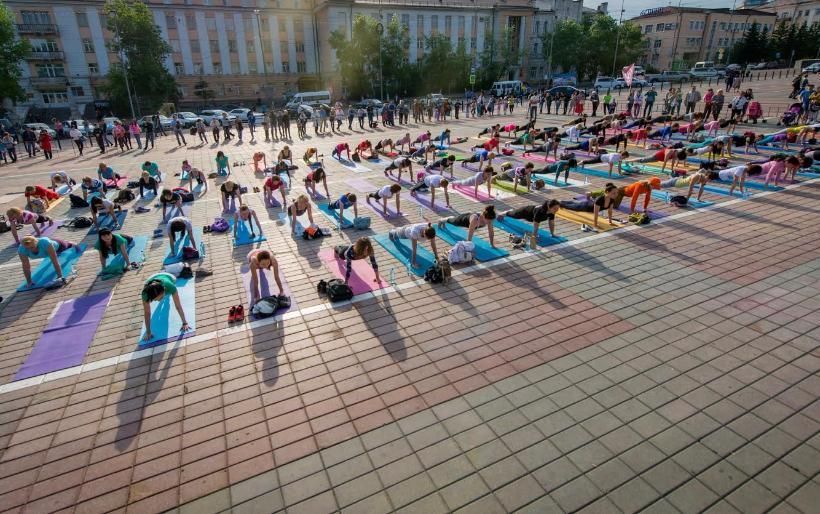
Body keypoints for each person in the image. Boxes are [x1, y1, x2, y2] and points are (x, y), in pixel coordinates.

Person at [141, 272, 190, 342]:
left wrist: (184, 323)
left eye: (161, 298)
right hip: (152, 278)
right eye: (156, 300)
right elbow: (147, 313)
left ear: (164, 289)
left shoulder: (170, 286)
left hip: (168, 276)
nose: (159, 301)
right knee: (157, 298)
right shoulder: (145, 294)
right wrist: (148, 332)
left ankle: (166, 295)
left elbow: (178, 306)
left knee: (168, 294)